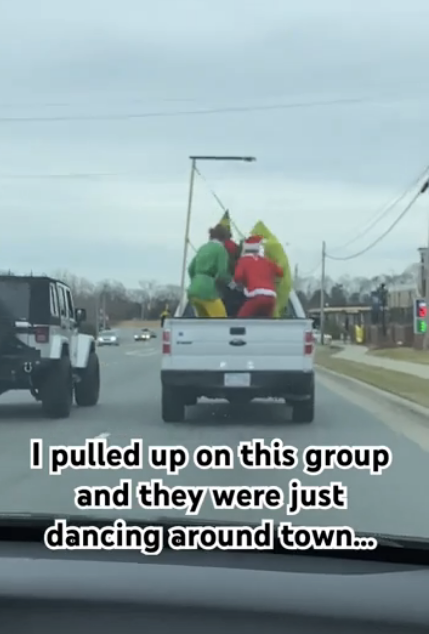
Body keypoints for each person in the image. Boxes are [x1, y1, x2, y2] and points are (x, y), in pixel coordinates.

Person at [187, 224, 231, 318]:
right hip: (208, 291)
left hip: (193, 290)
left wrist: (196, 281)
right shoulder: (221, 249)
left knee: (204, 323)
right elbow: (222, 273)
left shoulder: (202, 248)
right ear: (224, 238)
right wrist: (232, 284)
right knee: (222, 321)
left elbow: (190, 269)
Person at [234, 236, 284, 318]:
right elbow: (280, 273)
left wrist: (240, 285)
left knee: (240, 320)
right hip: (271, 298)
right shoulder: (266, 261)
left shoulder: (243, 260)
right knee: (265, 322)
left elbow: (237, 277)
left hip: (256, 296)